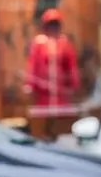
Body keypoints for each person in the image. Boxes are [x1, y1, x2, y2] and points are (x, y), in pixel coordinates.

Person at [23, 9, 80, 140]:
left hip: (60, 93)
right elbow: (32, 66)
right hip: (43, 93)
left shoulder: (64, 43)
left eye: (55, 24)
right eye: (50, 24)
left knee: (60, 125)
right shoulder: (38, 43)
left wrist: (73, 85)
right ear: (45, 26)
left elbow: (71, 67)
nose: (53, 28)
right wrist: (29, 85)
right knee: (42, 124)